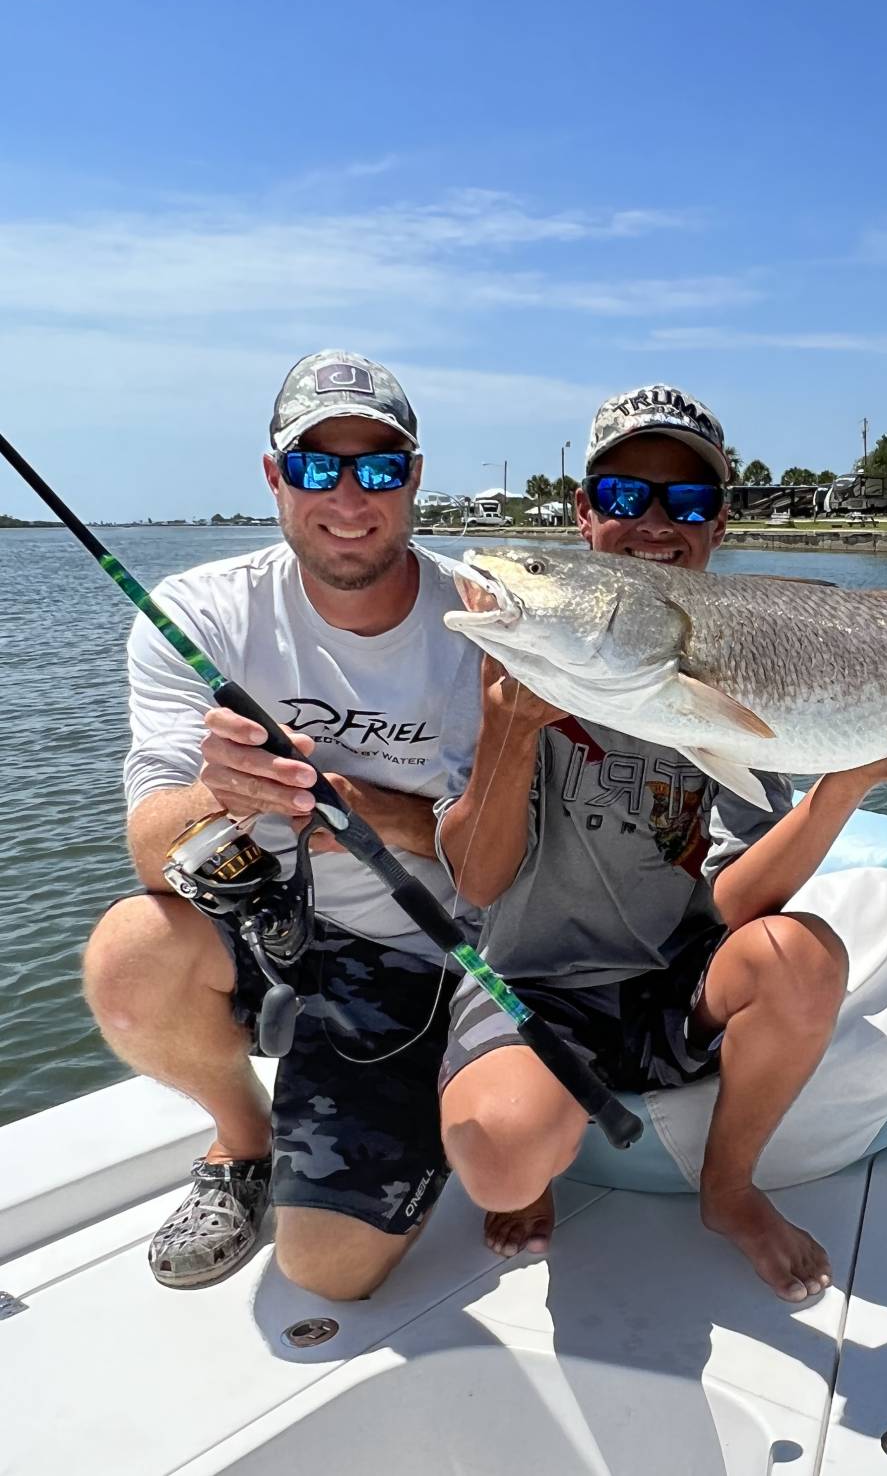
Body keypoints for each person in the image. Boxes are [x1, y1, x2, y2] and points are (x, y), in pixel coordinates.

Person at [436, 385, 887, 1302]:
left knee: (802, 956)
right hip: (533, 982)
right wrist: (509, 727)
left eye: (688, 502)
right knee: (502, 1161)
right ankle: (534, 1151)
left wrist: (852, 775)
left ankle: (728, 1188)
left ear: (718, 525)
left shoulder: (745, 665)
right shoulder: (500, 653)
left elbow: (737, 902)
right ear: (583, 518)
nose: (656, 522)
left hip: (672, 986)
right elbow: (475, 881)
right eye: (625, 498)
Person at [83, 350, 480, 1298]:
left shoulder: (482, 618)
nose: (349, 496)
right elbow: (151, 851)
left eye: (380, 467)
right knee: (129, 956)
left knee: (328, 1272)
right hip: (265, 923)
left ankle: (421, 1086)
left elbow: (525, 844)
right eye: (315, 466)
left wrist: (376, 812)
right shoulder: (197, 614)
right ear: (274, 477)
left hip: (418, 950)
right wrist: (225, 793)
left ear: (416, 477)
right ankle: (244, 1140)